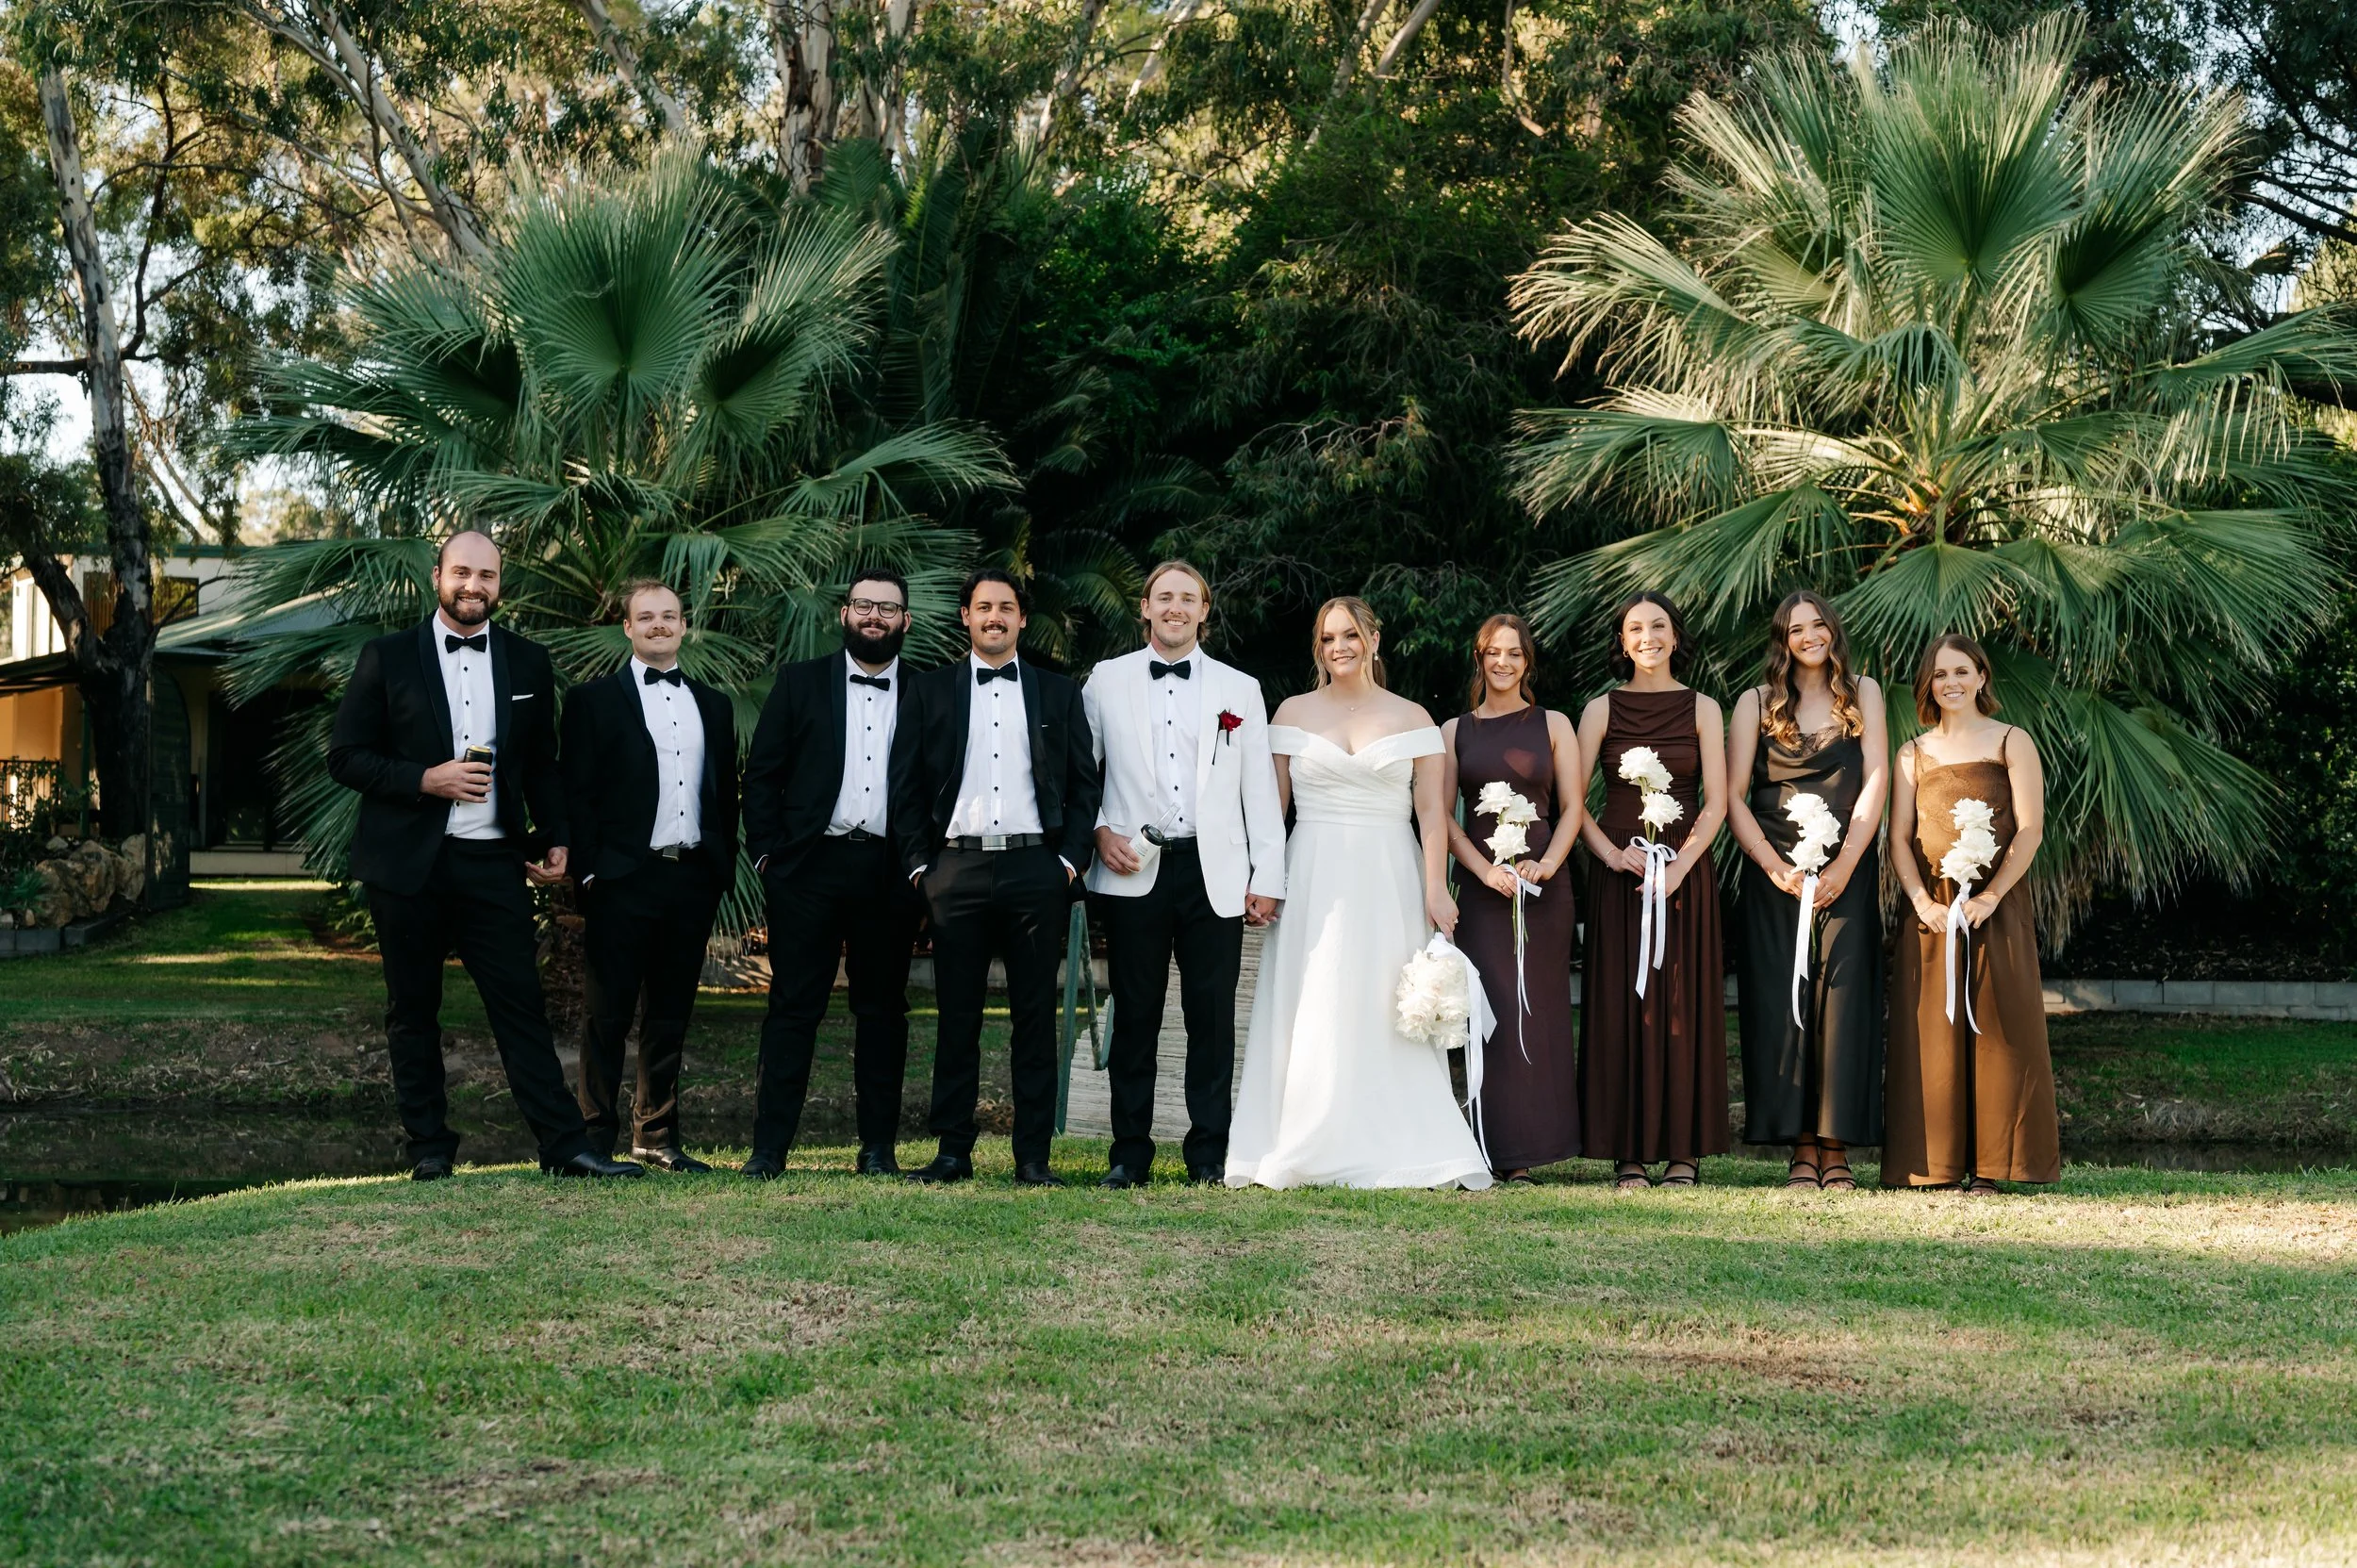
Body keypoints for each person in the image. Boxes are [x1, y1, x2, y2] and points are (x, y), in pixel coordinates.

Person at [326, 529, 638, 1180]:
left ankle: (564, 1146)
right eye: (462, 572)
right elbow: (346, 757)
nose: (474, 585)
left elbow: (543, 764)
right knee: (412, 1010)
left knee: (519, 1004)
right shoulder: (385, 657)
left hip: (493, 863)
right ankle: (430, 1149)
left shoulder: (528, 660)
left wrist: (556, 835)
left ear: (501, 583)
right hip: (407, 865)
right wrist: (424, 779)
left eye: (488, 575)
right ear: (437, 576)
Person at [1226, 597, 1492, 1191]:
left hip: (1387, 873)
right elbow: (1273, 812)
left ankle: (1396, 1137)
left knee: (1379, 999)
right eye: (1327, 639)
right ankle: (1299, 1135)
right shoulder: (1292, 711)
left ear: (1374, 638)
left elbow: (1431, 813)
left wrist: (1436, 891)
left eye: (1349, 635)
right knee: (1311, 995)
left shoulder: (1413, 716)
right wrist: (1263, 883)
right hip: (1313, 872)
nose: (1339, 647)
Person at [887, 569, 1100, 1186]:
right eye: (984, 607)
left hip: (1037, 868)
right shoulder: (928, 692)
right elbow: (906, 787)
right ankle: (953, 1150)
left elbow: (1085, 784)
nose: (995, 617)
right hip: (955, 868)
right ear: (965, 616)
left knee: (1035, 1019)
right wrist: (921, 868)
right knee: (957, 1016)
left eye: (1006, 607)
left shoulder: (1058, 693)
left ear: (1023, 618)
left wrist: (1068, 861)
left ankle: (1033, 1157)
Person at [1083, 560, 1286, 1188]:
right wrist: (1097, 831)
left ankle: (1207, 1155)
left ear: (1204, 609)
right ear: (1144, 607)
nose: (1175, 607)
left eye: (1187, 598)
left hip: (1215, 871)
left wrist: (1268, 875)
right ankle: (1129, 1154)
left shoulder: (1239, 689)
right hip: (1134, 867)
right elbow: (1079, 773)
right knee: (1136, 1015)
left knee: (1211, 1018)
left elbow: (1261, 789)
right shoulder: (1104, 681)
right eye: (1163, 597)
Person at [739, 571, 923, 1179]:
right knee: (793, 1008)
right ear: (844, 614)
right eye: (865, 606)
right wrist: (769, 856)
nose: (875, 617)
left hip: (890, 872)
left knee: (882, 1011)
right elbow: (762, 775)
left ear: (906, 622)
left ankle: (877, 1150)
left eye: (888, 609)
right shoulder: (800, 683)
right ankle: (769, 1151)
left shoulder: (928, 694)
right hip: (808, 868)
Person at [559, 579, 739, 1174]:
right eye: (647, 617)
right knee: (605, 1015)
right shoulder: (592, 702)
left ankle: (655, 1137)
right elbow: (577, 796)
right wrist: (587, 875)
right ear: (628, 629)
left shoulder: (714, 705)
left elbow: (724, 795)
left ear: (684, 627)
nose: (659, 625)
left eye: (670, 616)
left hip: (689, 877)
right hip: (620, 879)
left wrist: (719, 868)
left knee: (670, 1014)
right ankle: (592, 1137)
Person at [1884, 635, 2059, 1194]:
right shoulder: (1912, 752)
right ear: (1927, 685)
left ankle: (1993, 1166)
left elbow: (2029, 829)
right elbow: (1899, 838)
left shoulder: (2012, 741)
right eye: (1939, 675)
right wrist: (1920, 903)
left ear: (1982, 677)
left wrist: (1991, 896)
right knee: (1932, 1032)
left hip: (1995, 905)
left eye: (1961, 671)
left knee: (1999, 1028)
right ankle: (1931, 1166)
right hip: (1932, 907)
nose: (1950, 683)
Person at [1725, 591, 1887, 1191]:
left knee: (1843, 997)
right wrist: (1772, 867)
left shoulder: (1863, 692)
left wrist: (1846, 863)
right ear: (1782, 639)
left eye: (1819, 625)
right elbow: (1733, 797)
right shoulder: (1754, 703)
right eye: (1797, 629)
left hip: (1848, 867)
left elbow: (1875, 782)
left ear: (1833, 631)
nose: (1810, 636)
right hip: (1776, 873)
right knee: (1781, 999)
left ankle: (1836, 1146)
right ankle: (1799, 1147)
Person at [1575, 590, 1729, 1190]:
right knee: (1622, 1006)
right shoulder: (1599, 710)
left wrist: (1684, 865)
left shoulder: (1703, 709)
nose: (1647, 637)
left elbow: (1715, 800)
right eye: (1635, 628)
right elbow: (1573, 802)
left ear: (1674, 634)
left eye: (1658, 626)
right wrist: (1613, 856)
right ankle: (1628, 1153)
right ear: (1622, 640)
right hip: (1622, 877)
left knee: (1680, 1004)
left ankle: (1683, 1151)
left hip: (1684, 875)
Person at [1440, 615, 1582, 1182]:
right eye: (1493, 653)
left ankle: (1538, 1145)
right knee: (1490, 1010)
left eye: (1514, 654)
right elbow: (1444, 818)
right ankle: (1489, 1144)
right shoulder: (1455, 730)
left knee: (1540, 1011)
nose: (1502, 663)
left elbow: (1572, 808)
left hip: (1545, 887)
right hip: (1482, 892)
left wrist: (1546, 865)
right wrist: (1481, 871)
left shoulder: (1554, 725)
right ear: (1480, 658)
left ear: (1528, 662)